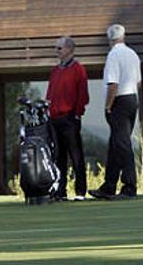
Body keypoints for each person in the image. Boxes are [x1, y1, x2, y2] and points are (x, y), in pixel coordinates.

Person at [89, 24, 142, 201]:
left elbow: (113, 84)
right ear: (124, 36)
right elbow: (138, 82)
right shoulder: (133, 54)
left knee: (122, 144)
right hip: (132, 98)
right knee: (116, 143)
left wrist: (108, 106)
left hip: (119, 101)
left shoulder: (113, 55)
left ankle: (129, 186)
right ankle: (109, 186)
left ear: (109, 39)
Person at [46, 36, 90, 201]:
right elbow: (50, 93)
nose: (56, 51)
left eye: (59, 48)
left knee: (75, 154)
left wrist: (77, 113)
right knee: (59, 156)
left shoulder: (78, 69)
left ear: (69, 49)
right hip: (55, 118)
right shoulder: (55, 71)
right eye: (56, 48)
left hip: (70, 117)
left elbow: (82, 93)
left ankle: (80, 191)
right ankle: (61, 191)